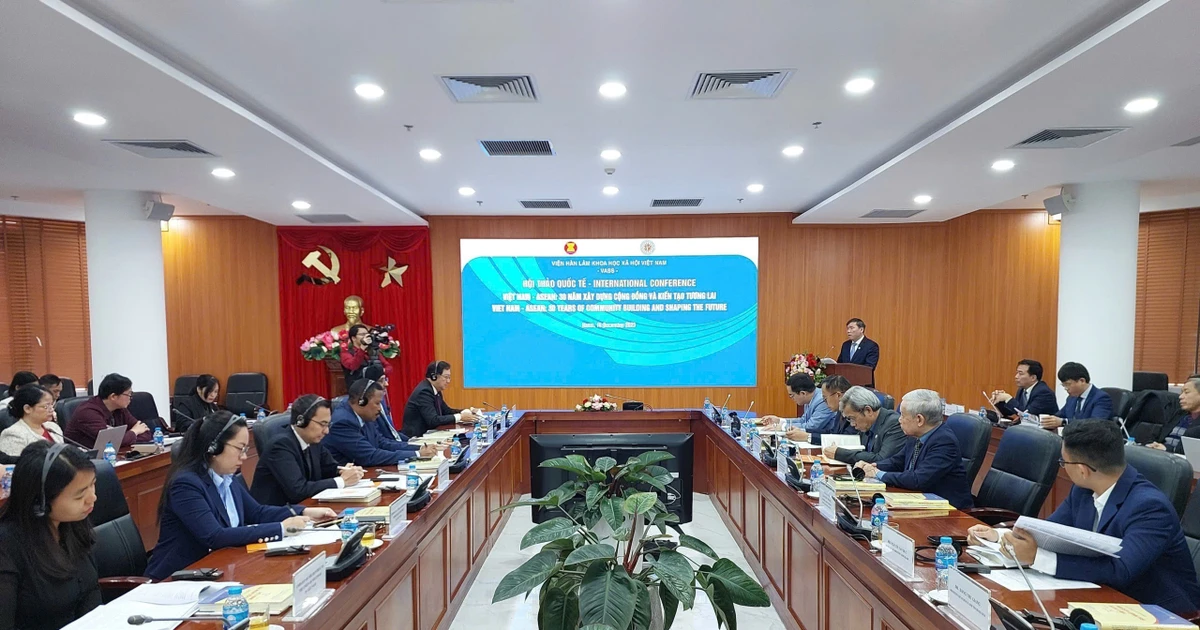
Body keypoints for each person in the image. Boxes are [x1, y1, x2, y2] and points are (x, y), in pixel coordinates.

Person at [968, 419, 1200, 616]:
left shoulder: (1150, 507)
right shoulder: (1084, 490)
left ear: (1082, 469)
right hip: (1097, 593)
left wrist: (1038, 557)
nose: (1063, 467)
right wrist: (998, 535)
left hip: (1155, 610)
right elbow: (1048, 532)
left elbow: (1121, 570)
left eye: (1063, 462)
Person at [145, 411, 336, 580]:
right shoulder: (186, 484)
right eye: (240, 449)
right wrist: (281, 528)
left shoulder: (226, 477)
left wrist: (303, 512)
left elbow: (257, 513)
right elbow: (215, 536)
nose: (244, 456)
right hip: (178, 578)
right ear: (214, 447)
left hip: (219, 568)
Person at [0, 442, 100, 630]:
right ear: (41, 502)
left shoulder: (72, 524)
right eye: (79, 496)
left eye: (93, 484)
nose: (92, 498)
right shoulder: (7, 546)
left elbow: (90, 590)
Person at [854, 389, 974, 510]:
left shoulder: (944, 442)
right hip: (921, 502)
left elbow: (918, 480)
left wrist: (878, 474)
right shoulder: (916, 435)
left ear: (919, 420)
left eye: (903, 415)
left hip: (950, 512)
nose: (899, 419)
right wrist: (872, 466)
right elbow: (898, 461)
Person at [250, 394, 365, 505]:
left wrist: (343, 470)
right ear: (301, 421)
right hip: (278, 513)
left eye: (328, 425)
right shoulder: (280, 446)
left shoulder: (313, 441)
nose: (326, 431)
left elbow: (329, 467)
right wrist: (342, 481)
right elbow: (298, 490)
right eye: (322, 424)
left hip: (305, 508)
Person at [326, 379, 438, 466]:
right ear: (361, 401)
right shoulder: (343, 422)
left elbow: (382, 442)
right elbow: (369, 456)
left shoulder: (364, 414)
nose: (380, 409)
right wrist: (417, 454)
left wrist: (419, 448)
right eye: (377, 403)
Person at [820, 385, 909, 465]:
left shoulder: (894, 424)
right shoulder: (866, 424)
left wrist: (840, 453)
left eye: (852, 418)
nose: (852, 424)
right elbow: (862, 452)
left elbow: (881, 460)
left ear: (868, 410)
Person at [63, 373, 151, 448]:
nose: (131, 398)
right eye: (128, 394)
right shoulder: (88, 412)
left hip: (111, 455)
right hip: (82, 459)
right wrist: (134, 432)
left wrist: (126, 438)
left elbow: (145, 432)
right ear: (113, 396)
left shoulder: (120, 409)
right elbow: (110, 442)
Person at [762, 375, 851, 443]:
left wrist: (784, 427)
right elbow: (804, 421)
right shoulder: (811, 400)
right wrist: (780, 421)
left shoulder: (822, 402)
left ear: (803, 393)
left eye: (791, 395)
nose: (824, 401)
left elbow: (811, 426)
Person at [402, 361, 479, 438]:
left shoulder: (435, 390)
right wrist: (460, 417)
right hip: (417, 438)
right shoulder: (424, 392)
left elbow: (446, 411)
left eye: (449, 377)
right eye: (446, 377)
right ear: (434, 376)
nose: (448, 381)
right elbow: (433, 420)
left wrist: (466, 412)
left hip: (430, 434)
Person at [1039, 362, 1114, 429]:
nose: (1066, 388)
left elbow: (1096, 424)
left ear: (1082, 381)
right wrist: (1048, 420)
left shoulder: (1101, 398)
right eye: (1063, 385)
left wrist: (1064, 422)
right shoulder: (1071, 398)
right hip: (1070, 437)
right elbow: (1060, 415)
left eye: (1068, 384)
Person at [0, 385, 64, 457]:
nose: (52, 409)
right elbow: (14, 463)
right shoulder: (13, 434)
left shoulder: (53, 427)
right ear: (27, 409)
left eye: (52, 405)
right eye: (46, 406)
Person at [1146, 375, 1200, 453]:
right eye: (1181, 393)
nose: (1180, 397)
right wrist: (1152, 445)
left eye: (1186, 392)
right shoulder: (1179, 414)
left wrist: (1167, 449)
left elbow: (1192, 452)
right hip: (1160, 454)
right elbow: (1158, 435)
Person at [989, 359, 1058, 419]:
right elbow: (1011, 411)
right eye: (1017, 373)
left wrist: (1008, 398)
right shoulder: (1022, 390)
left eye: (1020, 373)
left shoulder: (1044, 393)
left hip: (1042, 429)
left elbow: (1027, 414)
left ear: (1033, 378)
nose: (1016, 376)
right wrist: (1000, 401)